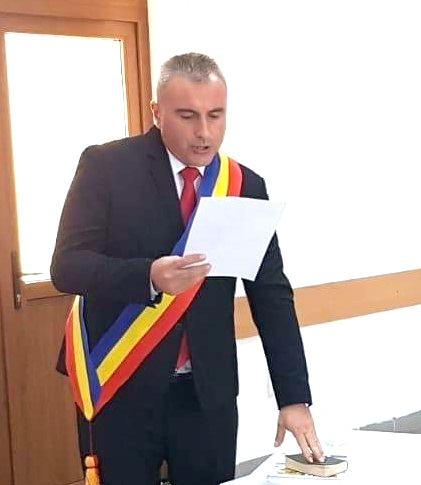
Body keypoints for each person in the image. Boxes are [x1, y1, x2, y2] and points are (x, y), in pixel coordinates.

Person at [51, 52, 324, 485]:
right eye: (187, 116)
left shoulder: (244, 185)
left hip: (206, 393)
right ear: (156, 112)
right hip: (120, 383)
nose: (204, 133)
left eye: (216, 115)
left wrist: (293, 398)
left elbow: (271, 293)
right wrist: (147, 276)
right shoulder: (107, 167)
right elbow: (67, 266)